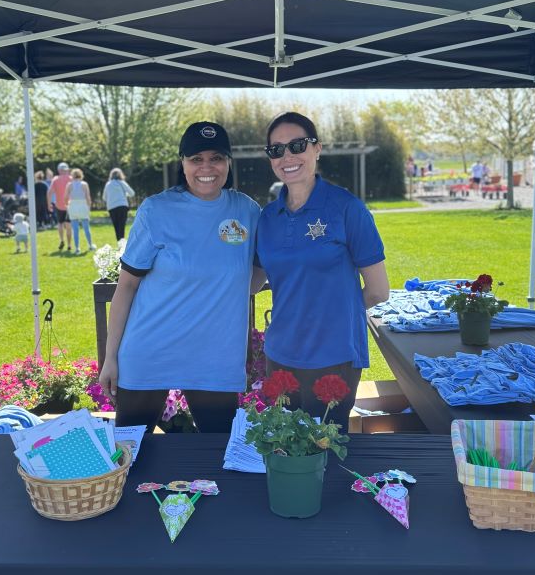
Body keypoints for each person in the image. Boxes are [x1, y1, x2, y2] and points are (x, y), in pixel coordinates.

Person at [98, 121, 262, 433]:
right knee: (131, 453)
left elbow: (252, 282)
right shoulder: (156, 210)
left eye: (216, 158)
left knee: (220, 454)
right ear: (182, 163)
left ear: (229, 162)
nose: (206, 167)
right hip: (150, 353)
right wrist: (111, 358)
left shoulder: (247, 211)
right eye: (196, 159)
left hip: (215, 360)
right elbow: (126, 286)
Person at [256, 112, 390, 430]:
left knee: (324, 447)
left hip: (333, 357)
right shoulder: (267, 217)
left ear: (317, 148)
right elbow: (252, 282)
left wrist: (331, 315)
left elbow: (378, 291)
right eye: (276, 150)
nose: (287, 156)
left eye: (297, 145)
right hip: (279, 355)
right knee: (284, 443)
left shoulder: (347, 209)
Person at [64, 168, 95, 254]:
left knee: (75, 229)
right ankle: (90, 245)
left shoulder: (69, 185)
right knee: (86, 227)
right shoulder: (84, 184)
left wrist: (67, 205)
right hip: (83, 205)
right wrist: (89, 207)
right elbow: (88, 197)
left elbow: (65, 197)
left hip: (73, 205)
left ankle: (77, 248)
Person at [102, 168, 135, 242]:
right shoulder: (121, 182)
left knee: (116, 226)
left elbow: (104, 197)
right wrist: (124, 195)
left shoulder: (108, 184)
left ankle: (119, 242)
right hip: (122, 205)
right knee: (121, 225)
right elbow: (132, 193)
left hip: (111, 207)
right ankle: (122, 242)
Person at [49, 162, 73, 251]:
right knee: (68, 225)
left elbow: (49, 192)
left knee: (60, 224)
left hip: (59, 205)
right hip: (69, 205)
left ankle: (62, 240)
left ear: (59, 170)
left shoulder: (55, 179)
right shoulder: (71, 179)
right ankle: (69, 244)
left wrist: (48, 204)